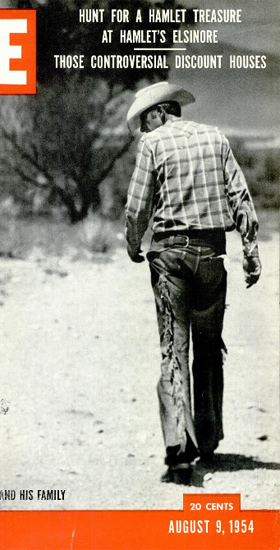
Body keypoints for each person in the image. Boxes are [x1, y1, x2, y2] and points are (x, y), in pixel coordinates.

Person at [125, 82, 261, 481]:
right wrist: (251, 252)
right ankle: (209, 436)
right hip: (212, 257)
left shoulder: (153, 146)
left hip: (170, 258)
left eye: (144, 122)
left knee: (173, 349)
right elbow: (241, 197)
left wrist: (134, 243)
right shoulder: (216, 139)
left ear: (157, 113)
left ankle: (179, 450)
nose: (144, 131)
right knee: (208, 348)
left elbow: (137, 206)